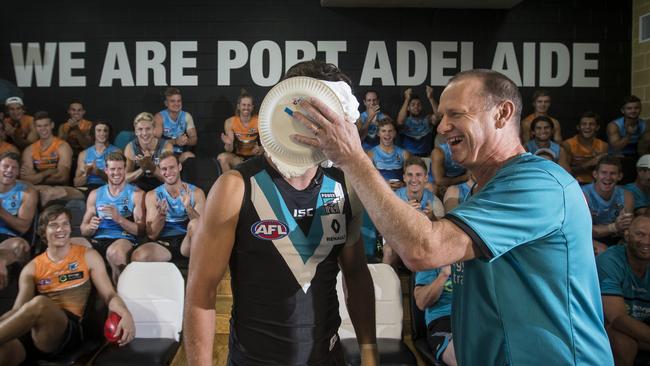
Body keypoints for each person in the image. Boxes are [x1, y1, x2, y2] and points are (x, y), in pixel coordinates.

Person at [292, 68, 614, 365]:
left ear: (502, 113)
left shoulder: (538, 184)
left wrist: (351, 157)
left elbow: (423, 249)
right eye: (442, 115)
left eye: (456, 114)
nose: (442, 126)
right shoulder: (482, 191)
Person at [184, 60, 378, 366]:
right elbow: (201, 292)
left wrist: (369, 352)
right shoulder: (234, 188)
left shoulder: (344, 186)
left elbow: (355, 273)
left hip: (328, 357)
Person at [0, 204, 135, 366]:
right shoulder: (32, 268)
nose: (61, 229)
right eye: (54, 225)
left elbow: (109, 295)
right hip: (37, 335)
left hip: (71, 333)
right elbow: (18, 311)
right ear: (43, 231)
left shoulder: (88, 256)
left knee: (40, 304)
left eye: (65, 224)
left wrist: (126, 313)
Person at [80, 151, 145, 284]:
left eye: (120, 169)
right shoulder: (95, 194)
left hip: (123, 238)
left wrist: (119, 219)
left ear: (125, 169)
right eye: (112, 169)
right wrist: (90, 227)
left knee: (114, 252)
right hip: (98, 238)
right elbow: (83, 229)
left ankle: (120, 294)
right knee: (71, 245)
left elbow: (141, 230)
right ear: (106, 170)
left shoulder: (136, 194)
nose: (116, 173)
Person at [131, 152, 205, 267]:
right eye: (164, 169)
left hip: (188, 243)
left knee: (195, 224)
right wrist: (160, 216)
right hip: (164, 243)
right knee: (138, 256)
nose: (168, 172)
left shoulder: (196, 193)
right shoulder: (152, 195)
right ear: (160, 171)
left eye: (172, 167)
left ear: (179, 167)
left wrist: (188, 207)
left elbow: (202, 228)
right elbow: (152, 235)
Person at [597, 215, 650, 366]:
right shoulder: (610, 260)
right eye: (640, 234)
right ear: (627, 235)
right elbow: (617, 318)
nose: (646, 241)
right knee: (624, 343)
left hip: (642, 327)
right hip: (609, 328)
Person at [383, 157, 443, 267]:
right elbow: (385, 228)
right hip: (400, 244)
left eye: (418, 175)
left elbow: (442, 232)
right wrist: (403, 213)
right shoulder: (394, 198)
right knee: (388, 250)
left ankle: (427, 283)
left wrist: (432, 217)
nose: (414, 179)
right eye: (410, 175)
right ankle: (384, 282)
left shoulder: (434, 201)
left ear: (425, 178)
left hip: (424, 245)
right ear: (404, 178)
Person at [19, 111, 83, 205]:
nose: (43, 129)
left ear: (52, 125)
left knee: (42, 192)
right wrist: (47, 172)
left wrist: (35, 176)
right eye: (39, 126)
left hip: (60, 192)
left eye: (46, 125)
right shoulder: (29, 150)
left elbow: (62, 177)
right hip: (36, 191)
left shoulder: (62, 146)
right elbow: (25, 179)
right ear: (35, 128)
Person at [0, 152, 37, 289]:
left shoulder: (26, 192)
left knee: (21, 246)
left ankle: (24, 292)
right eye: (5, 166)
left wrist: (1, 212)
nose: (9, 170)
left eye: (14, 168)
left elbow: (23, 227)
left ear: (18, 172)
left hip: (7, 240)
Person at [582, 156, 635, 247]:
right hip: (588, 239)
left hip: (615, 238)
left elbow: (627, 227)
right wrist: (615, 227)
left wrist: (625, 234)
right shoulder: (583, 195)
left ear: (620, 176)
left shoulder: (626, 196)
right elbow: (584, 231)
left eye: (613, 173)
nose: (608, 177)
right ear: (595, 174)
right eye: (604, 173)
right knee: (602, 249)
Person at [414, 265, 455, 366]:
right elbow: (421, 302)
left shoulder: (480, 258)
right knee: (463, 355)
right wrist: (444, 274)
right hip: (444, 320)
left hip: (476, 318)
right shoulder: (432, 260)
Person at [124, 112, 173, 192]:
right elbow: (125, 178)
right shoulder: (130, 148)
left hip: (161, 188)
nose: (144, 133)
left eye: (148, 129)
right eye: (140, 129)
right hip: (138, 189)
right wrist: (142, 169)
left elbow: (169, 179)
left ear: (154, 129)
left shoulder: (166, 147)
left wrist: (151, 167)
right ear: (136, 132)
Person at [217, 90, 262, 173]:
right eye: (243, 105)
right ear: (238, 106)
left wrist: (260, 149)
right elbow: (229, 150)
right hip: (239, 159)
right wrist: (228, 143)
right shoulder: (230, 122)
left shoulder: (259, 121)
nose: (246, 108)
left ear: (252, 107)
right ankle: (228, 183)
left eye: (249, 105)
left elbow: (268, 145)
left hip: (256, 157)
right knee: (222, 157)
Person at [562, 111, 609, 185]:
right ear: (578, 127)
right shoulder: (568, 144)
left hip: (597, 185)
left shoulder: (603, 145)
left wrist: (599, 163)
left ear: (597, 127)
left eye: (592, 124)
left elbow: (605, 172)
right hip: (575, 184)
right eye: (584, 124)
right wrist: (589, 164)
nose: (587, 127)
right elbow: (566, 172)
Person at [153, 87, 198, 163]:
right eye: (172, 101)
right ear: (166, 103)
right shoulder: (159, 117)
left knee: (189, 156)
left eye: (179, 101)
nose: (176, 104)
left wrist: (185, 141)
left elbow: (194, 139)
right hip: (163, 154)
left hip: (178, 154)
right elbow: (154, 141)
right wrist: (175, 141)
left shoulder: (187, 116)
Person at [73, 121, 120, 193]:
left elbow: (118, 181)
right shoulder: (84, 154)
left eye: (105, 130)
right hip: (87, 189)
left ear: (109, 133)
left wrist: (98, 172)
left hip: (107, 190)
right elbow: (76, 183)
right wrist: (87, 173)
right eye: (99, 130)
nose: (102, 133)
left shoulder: (116, 152)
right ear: (93, 133)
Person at [367, 118, 409, 189]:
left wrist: (403, 185)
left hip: (400, 192)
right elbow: (369, 180)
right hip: (380, 192)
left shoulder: (404, 153)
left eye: (390, 131)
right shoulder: (371, 154)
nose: (387, 134)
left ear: (395, 133)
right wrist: (384, 184)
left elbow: (409, 178)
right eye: (383, 131)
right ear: (378, 133)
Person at [396, 86, 438, 157]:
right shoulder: (405, 121)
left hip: (426, 157)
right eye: (413, 104)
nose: (416, 106)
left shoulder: (427, 120)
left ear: (422, 107)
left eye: (419, 104)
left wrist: (431, 98)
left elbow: (438, 116)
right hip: (407, 157)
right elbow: (400, 121)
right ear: (408, 108)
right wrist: (407, 99)